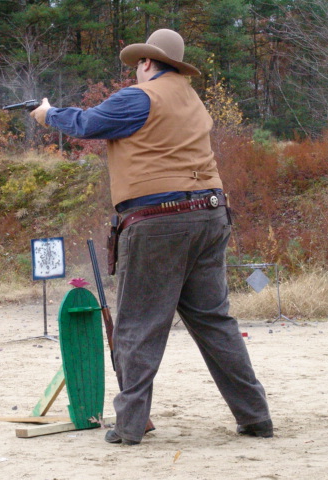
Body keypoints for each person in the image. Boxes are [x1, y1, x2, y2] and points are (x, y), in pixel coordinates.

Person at [30, 28, 272, 445]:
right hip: (211, 215)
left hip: (160, 221)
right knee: (215, 323)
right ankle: (255, 417)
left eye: (137, 64)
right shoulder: (194, 101)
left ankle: (129, 427)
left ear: (147, 63)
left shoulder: (139, 96)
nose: (135, 71)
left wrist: (47, 114)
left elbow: (87, 123)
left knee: (137, 326)